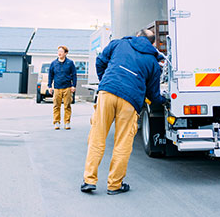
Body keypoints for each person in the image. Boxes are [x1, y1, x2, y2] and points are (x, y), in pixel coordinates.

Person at [81, 29, 167, 195]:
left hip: (107, 93)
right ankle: (114, 185)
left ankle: (89, 181)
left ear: (136, 36)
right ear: (153, 44)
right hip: (130, 100)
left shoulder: (118, 44)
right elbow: (153, 94)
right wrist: (164, 101)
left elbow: (100, 62)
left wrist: (105, 81)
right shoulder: (152, 62)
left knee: (97, 137)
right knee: (123, 142)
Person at [48, 45, 77, 130]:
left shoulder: (70, 63)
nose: (59, 53)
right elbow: (50, 75)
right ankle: (56, 122)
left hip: (67, 87)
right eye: (58, 51)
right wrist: (50, 86)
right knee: (56, 105)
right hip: (57, 87)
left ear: (66, 53)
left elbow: (74, 75)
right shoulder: (54, 63)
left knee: (67, 105)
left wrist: (73, 86)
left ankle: (67, 122)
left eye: (61, 51)